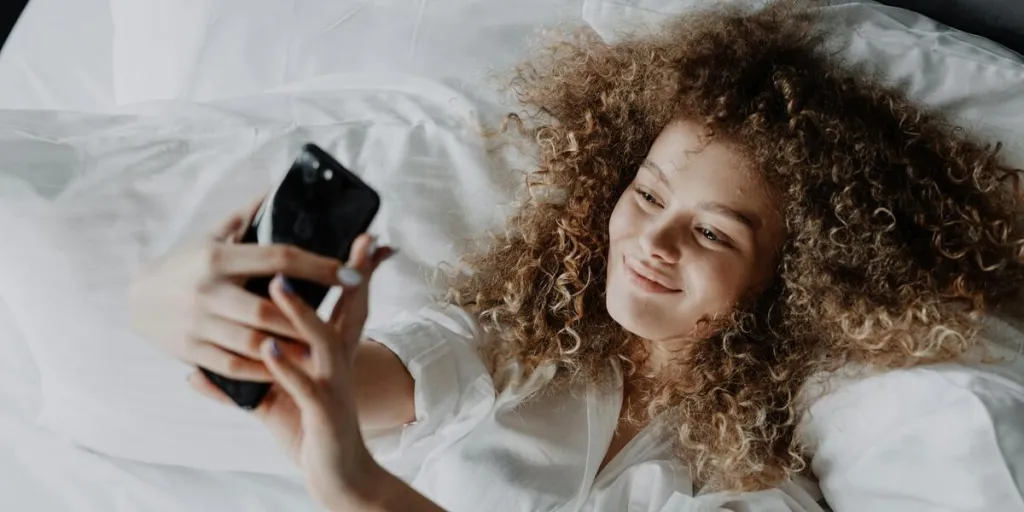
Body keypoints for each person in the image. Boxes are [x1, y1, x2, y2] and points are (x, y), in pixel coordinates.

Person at [127, 1, 1024, 511]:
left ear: (788, 276)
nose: (655, 242)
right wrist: (175, 308)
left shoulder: (759, 483)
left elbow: (340, 454)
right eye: (648, 195)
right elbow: (345, 380)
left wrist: (350, 481)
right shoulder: (512, 348)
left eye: (715, 232)